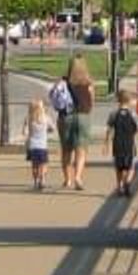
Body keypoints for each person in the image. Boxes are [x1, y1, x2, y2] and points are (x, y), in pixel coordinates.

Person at [60, 53, 96, 190]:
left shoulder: (64, 81)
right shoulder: (89, 82)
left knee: (66, 150)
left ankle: (67, 179)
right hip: (83, 116)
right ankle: (78, 177)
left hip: (66, 117)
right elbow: (92, 101)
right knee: (81, 150)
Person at [106, 95, 138, 197]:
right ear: (129, 101)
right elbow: (137, 129)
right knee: (131, 166)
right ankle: (128, 181)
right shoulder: (133, 114)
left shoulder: (113, 114)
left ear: (118, 101)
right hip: (129, 144)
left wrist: (106, 142)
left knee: (119, 167)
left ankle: (119, 186)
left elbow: (109, 129)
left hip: (117, 144)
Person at [24, 98, 53, 191]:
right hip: (42, 146)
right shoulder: (46, 118)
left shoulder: (28, 118)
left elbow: (24, 132)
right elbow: (52, 128)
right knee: (44, 164)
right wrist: (47, 130)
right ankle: (42, 179)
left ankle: (36, 181)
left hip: (32, 146)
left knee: (34, 165)